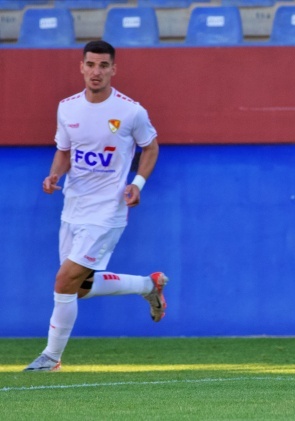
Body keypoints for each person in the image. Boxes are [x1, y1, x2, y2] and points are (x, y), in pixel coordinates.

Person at [24, 40, 168, 372]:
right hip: (73, 208)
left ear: (113, 69)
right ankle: (149, 285)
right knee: (81, 288)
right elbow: (64, 150)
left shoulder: (131, 111)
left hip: (108, 211)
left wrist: (137, 183)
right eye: (91, 65)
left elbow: (151, 148)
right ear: (81, 67)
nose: (96, 72)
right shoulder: (67, 108)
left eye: (103, 66)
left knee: (64, 281)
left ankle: (51, 357)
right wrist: (53, 175)